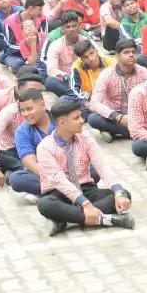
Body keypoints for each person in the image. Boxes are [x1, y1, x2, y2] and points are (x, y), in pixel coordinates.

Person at [35, 98, 135, 234]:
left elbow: (101, 165)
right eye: (76, 118)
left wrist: (118, 191)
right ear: (62, 123)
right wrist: (85, 204)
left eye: (81, 116)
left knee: (124, 195)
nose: (82, 120)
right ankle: (107, 219)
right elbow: (59, 181)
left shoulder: (85, 137)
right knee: (45, 205)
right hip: (60, 194)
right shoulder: (45, 147)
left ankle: (64, 219)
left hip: (86, 189)